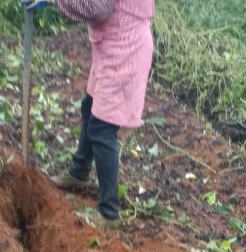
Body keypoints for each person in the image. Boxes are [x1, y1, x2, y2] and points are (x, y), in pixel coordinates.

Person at [25, 0, 155, 220]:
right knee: (90, 107)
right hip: (112, 45)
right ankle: (79, 173)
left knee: (102, 128)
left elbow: (97, 7)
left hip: (125, 50)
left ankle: (108, 214)